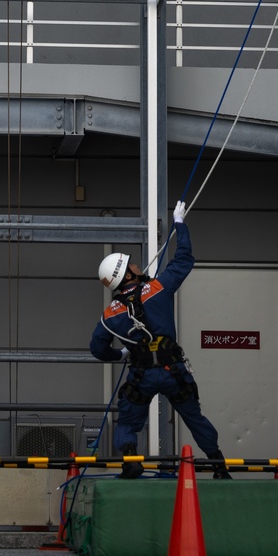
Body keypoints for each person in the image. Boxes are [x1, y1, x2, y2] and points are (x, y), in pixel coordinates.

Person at [90, 198, 231, 479]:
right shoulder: (158, 288)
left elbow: (97, 348)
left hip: (141, 375)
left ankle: (131, 461)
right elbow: (184, 259)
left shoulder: (110, 315)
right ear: (128, 273)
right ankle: (218, 465)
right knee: (194, 417)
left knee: (129, 421)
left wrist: (120, 355)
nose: (139, 265)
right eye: (134, 265)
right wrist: (180, 224)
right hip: (172, 371)